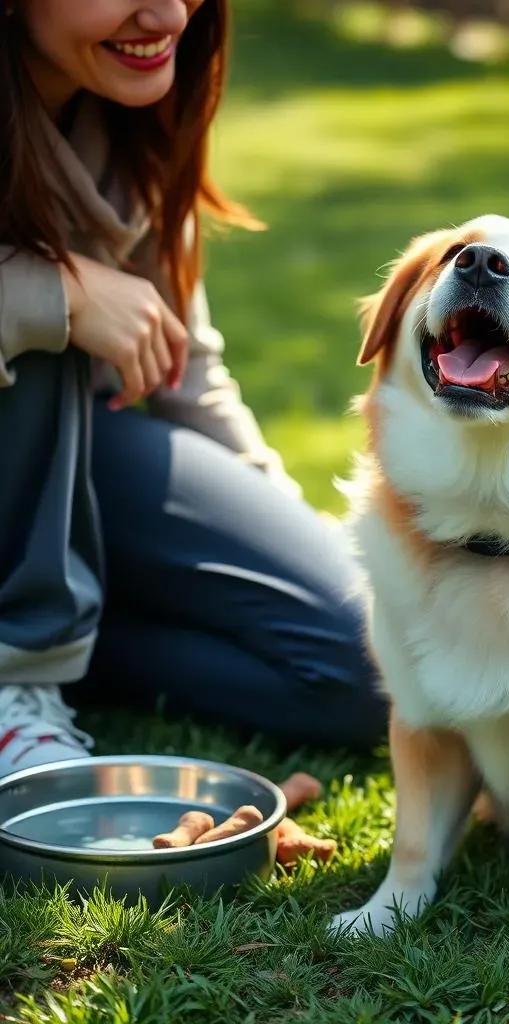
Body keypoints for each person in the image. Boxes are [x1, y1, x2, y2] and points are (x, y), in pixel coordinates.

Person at [0, 0, 389, 776]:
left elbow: (188, 372)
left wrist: (313, 534)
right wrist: (60, 295)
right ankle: (18, 680)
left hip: (78, 461)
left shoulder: (140, 107)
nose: (170, 11)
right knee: (44, 341)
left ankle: (60, 638)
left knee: (372, 667)